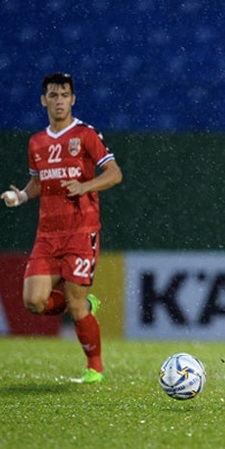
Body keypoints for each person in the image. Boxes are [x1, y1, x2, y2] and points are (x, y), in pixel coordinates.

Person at [1, 73, 122, 383]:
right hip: (47, 234)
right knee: (33, 302)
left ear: (73, 99)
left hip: (81, 230)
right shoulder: (37, 142)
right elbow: (39, 181)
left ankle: (94, 368)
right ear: (44, 100)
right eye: (53, 95)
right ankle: (78, 304)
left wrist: (85, 186)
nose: (59, 100)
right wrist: (22, 196)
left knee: (77, 304)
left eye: (64, 95)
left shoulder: (85, 134)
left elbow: (114, 173)